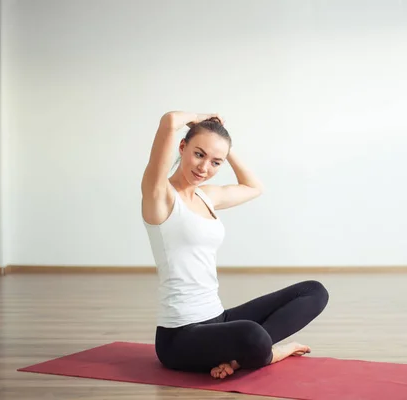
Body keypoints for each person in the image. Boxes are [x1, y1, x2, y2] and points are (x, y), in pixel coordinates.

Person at [140, 111, 329, 379]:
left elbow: (254, 187)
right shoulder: (160, 196)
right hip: (179, 337)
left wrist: (224, 148)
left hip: (218, 319)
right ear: (182, 147)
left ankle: (241, 358)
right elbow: (169, 121)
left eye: (216, 162)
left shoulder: (207, 197)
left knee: (314, 291)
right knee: (251, 334)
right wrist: (200, 120)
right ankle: (270, 353)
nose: (204, 168)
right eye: (199, 154)